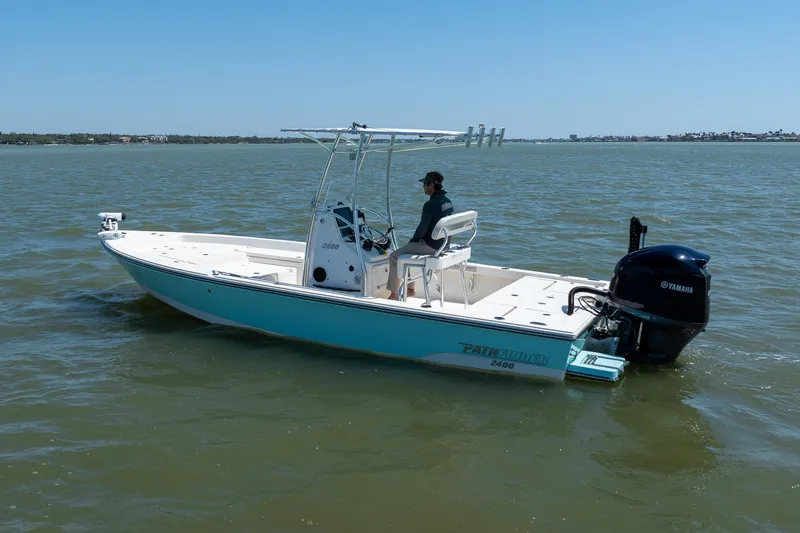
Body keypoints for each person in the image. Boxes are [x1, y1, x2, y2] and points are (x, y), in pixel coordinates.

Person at [387, 171, 455, 300]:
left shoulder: (429, 205)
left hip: (431, 246)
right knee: (409, 252)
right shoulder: (447, 201)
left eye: (424, 183)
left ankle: (394, 294)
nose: (422, 186)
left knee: (394, 256)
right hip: (444, 245)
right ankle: (410, 289)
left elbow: (421, 230)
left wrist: (412, 242)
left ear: (431, 185)